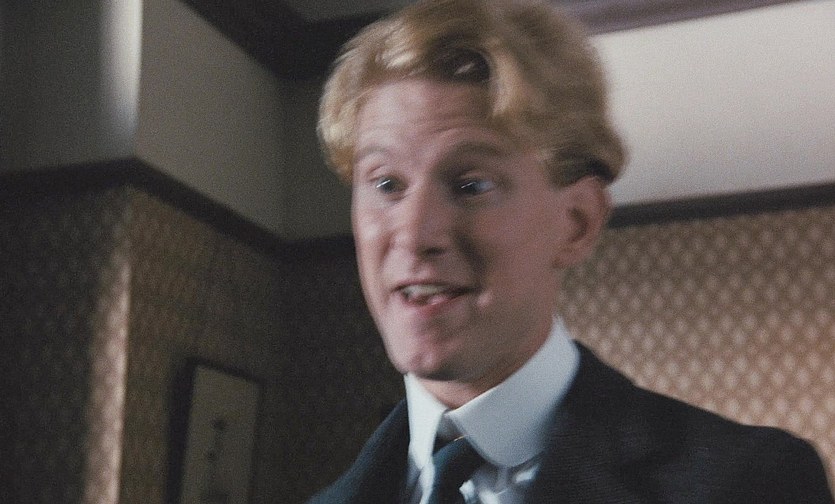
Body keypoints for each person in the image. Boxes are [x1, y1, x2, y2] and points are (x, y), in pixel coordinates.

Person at [309, 0, 834, 502]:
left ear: (577, 223)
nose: (414, 233)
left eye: (471, 185)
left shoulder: (751, 482)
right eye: (386, 184)